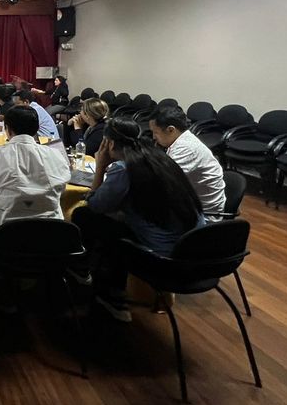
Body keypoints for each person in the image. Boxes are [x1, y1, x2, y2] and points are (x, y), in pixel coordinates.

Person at [71, 117, 206, 322]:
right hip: (200, 253)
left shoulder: (123, 168)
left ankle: (107, 292)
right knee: (116, 221)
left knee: (85, 216)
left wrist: (100, 166)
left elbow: (96, 205)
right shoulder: (160, 159)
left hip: (165, 262)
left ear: (110, 144)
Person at [0, 106, 71, 233]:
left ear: (7, 129)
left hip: (7, 232)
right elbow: (62, 189)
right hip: (52, 231)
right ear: (37, 128)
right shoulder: (55, 155)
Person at [150, 105, 226, 220]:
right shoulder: (181, 140)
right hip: (189, 203)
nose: (153, 137)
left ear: (171, 130)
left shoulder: (187, 149)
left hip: (203, 216)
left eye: (155, 132)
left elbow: (160, 181)